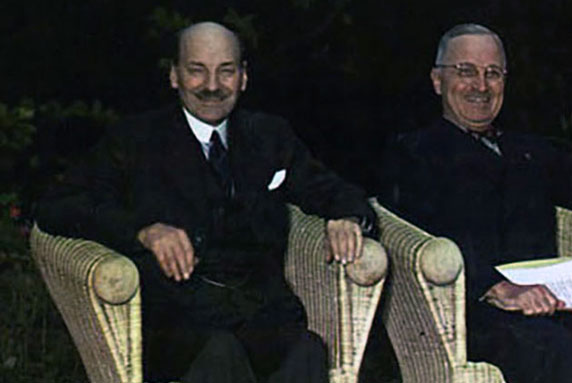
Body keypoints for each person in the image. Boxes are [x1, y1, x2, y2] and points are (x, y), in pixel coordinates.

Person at [36, 22, 374, 383]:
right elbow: (57, 205)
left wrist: (346, 216)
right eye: (197, 71)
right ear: (174, 76)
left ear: (243, 77)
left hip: (264, 314)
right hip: (181, 323)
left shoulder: (268, 135)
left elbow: (333, 189)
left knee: (308, 351)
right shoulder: (135, 140)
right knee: (220, 354)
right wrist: (143, 232)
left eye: (225, 71)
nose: (212, 86)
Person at [380, 23, 572, 383]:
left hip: (546, 299)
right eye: (466, 71)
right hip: (466, 306)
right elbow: (412, 233)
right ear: (438, 80)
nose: (480, 86)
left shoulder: (528, 150)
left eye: (492, 74)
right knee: (554, 352)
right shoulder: (414, 152)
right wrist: (497, 288)